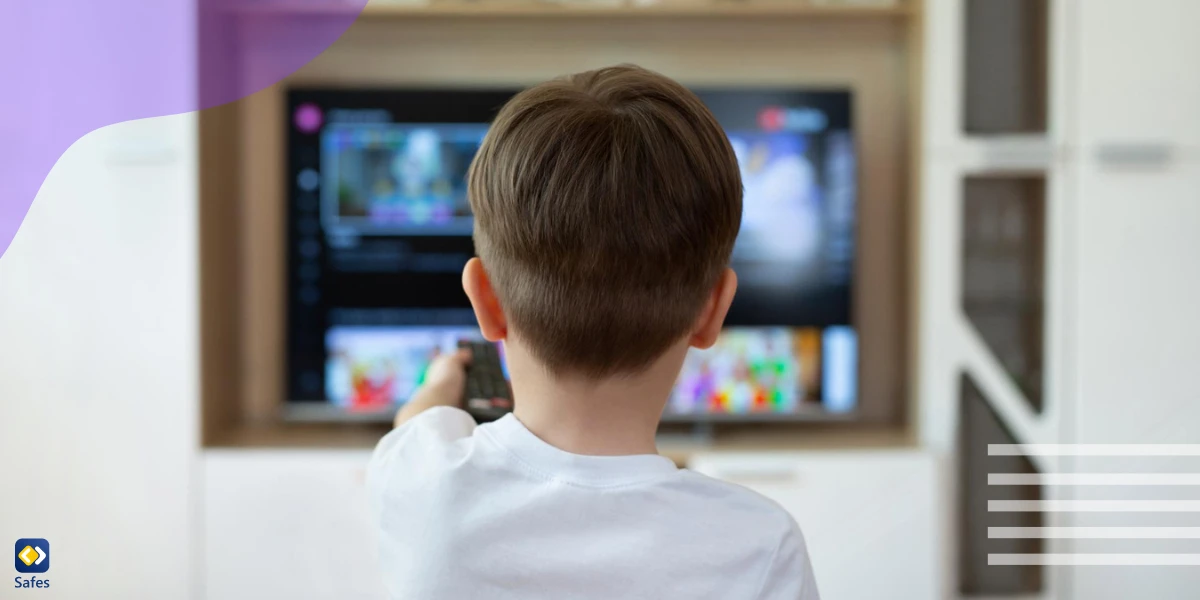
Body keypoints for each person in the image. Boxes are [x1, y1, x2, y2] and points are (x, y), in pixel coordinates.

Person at [367, 64, 820, 600]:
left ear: (486, 302)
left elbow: (410, 429)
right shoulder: (760, 542)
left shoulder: (422, 484)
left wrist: (442, 386)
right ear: (713, 310)